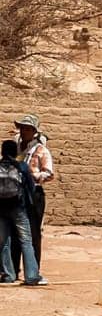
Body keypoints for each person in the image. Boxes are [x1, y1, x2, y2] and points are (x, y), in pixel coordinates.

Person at [0, 138, 47, 286]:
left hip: (1, 209)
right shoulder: (21, 166)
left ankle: (8, 275)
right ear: (16, 152)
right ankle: (32, 275)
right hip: (18, 208)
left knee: (4, 242)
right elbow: (30, 187)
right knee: (26, 241)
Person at [13, 113, 52, 275]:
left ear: (34, 131)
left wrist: (30, 176)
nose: (24, 132)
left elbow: (49, 174)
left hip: (34, 194)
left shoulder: (41, 150)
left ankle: (34, 270)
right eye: (22, 128)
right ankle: (13, 269)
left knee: (34, 232)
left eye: (27, 129)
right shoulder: (17, 148)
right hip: (16, 194)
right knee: (15, 232)